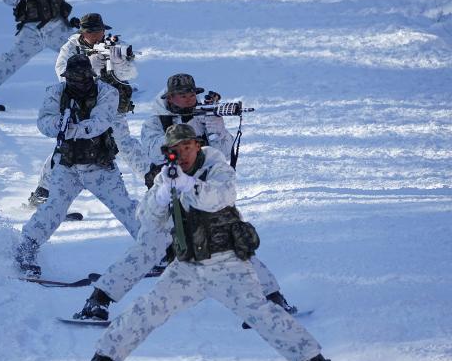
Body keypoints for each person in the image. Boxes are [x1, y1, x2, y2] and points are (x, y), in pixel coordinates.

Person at [80, 124, 338, 361]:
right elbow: (147, 222)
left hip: (226, 264)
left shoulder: (217, 168)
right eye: (176, 149)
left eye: (187, 147)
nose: (183, 154)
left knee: (260, 313)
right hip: (187, 267)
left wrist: (187, 184)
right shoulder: (166, 177)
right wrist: (159, 195)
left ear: (197, 145)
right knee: (146, 310)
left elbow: (219, 198)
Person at [72, 74, 297, 322]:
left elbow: (222, 156)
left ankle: (274, 301)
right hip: (168, 195)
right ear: (170, 97)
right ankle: (98, 301)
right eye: (184, 94)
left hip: (203, 197)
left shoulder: (206, 117)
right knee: (144, 251)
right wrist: (184, 138)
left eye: (193, 94)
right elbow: (157, 154)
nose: (190, 98)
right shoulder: (155, 122)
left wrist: (215, 128)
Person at [14, 54, 140, 277]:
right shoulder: (55, 92)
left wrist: (72, 129)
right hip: (68, 165)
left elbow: (100, 122)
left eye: (83, 79)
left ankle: (156, 249)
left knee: (125, 208)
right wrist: (58, 124)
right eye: (73, 79)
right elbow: (43, 122)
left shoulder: (107, 92)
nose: (79, 83)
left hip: (99, 165)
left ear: (91, 76)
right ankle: (26, 248)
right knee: (53, 209)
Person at [28, 12, 145, 207]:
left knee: (125, 145)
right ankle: (43, 193)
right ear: (83, 32)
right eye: (92, 32)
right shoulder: (71, 48)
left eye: (99, 31)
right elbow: (62, 76)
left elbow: (130, 75)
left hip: (110, 107)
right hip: (81, 108)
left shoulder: (115, 44)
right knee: (65, 148)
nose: (97, 35)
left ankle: (155, 181)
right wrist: (89, 69)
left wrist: (118, 63)